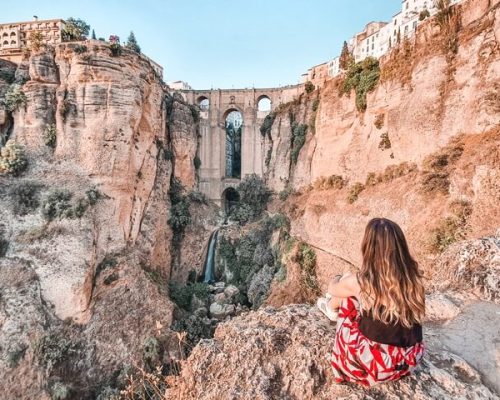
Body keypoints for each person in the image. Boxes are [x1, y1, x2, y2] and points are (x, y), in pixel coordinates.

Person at [316, 218, 425, 387]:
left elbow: (332, 288)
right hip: (409, 360)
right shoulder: (413, 279)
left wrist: (340, 277)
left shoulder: (362, 282)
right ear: (401, 246)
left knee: (348, 295)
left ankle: (330, 308)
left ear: (369, 248)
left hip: (376, 366)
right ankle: (331, 308)